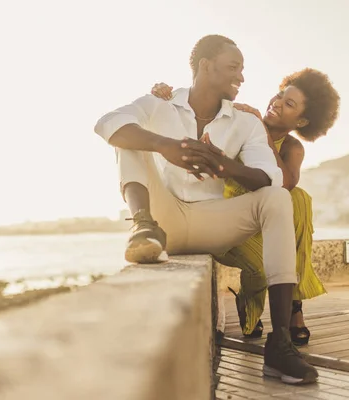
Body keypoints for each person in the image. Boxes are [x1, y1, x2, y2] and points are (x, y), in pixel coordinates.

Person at [94, 34, 318, 385]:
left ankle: (280, 345)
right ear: (205, 66)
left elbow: (271, 177)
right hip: (164, 219)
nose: (242, 77)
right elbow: (106, 123)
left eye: (243, 70)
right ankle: (141, 226)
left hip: (214, 223)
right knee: (127, 137)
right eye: (233, 67)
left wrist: (225, 165)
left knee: (279, 198)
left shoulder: (245, 123)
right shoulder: (159, 104)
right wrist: (164, 146)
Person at [150, 69, 340, 346]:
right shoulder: (241, 121)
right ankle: (262, 306)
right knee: (264, 266)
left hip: (264, 224)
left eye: (289, 104)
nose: (276, 103)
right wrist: (165, 97)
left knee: (297, 198)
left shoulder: (291, 148)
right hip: (223, 219)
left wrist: (263, 131)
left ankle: (293, 306)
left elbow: (284, 184)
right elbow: (201, 112)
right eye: (279, 95)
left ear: (301, 120)